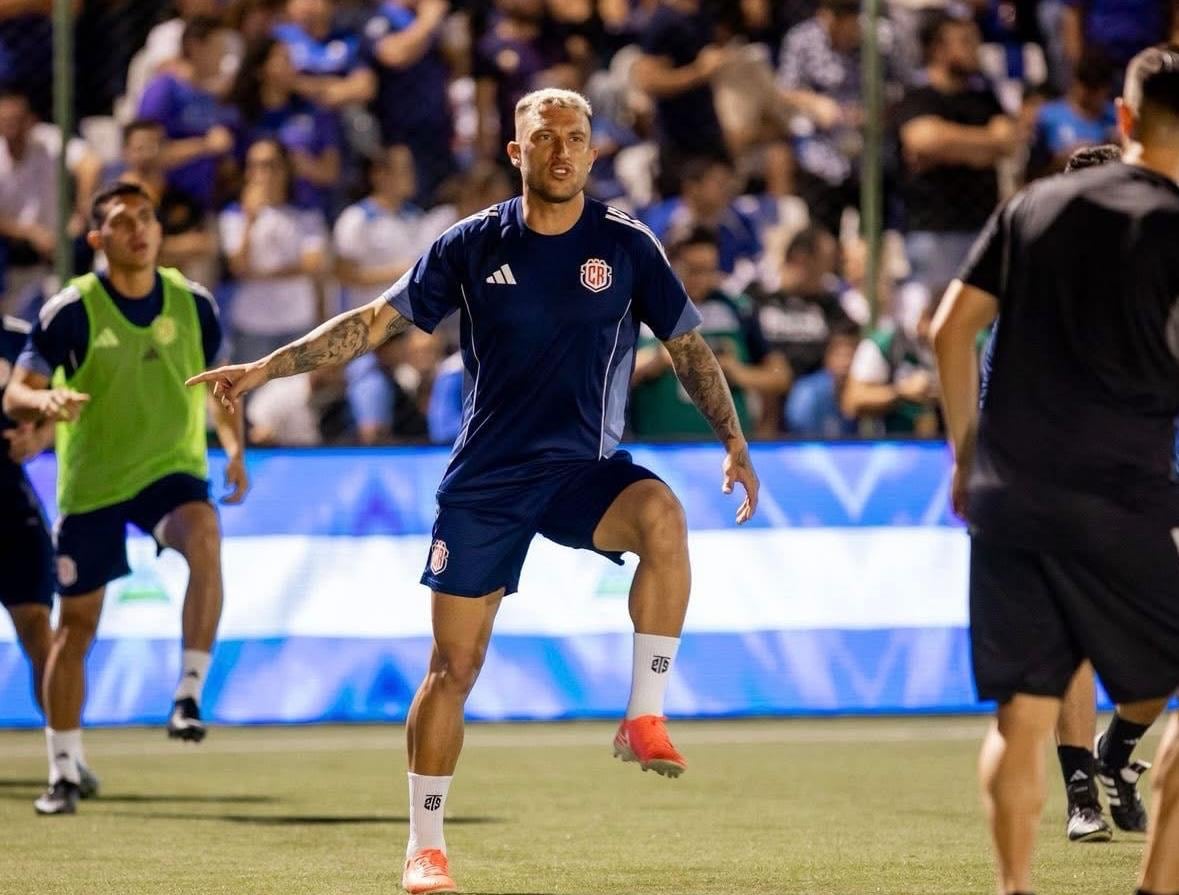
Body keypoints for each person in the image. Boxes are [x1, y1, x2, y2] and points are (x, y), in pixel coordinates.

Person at [187, 87, 759, 895]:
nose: (561, 149)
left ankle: (643, 714)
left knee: (661, 512)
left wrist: (733, 441)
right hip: (486, 480)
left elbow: (690, 349)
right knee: (453, 665)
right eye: (543, 137)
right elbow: (370, 323)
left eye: (575, 137)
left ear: (593, 153)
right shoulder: (468, 243)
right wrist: (263, 368)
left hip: (581, 473)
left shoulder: (628, 246)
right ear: (515, 152)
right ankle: (424, 846)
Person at [930, 46, 1179, 895]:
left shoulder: (1030, 206)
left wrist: (967, 457)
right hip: (1127, 490)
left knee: (1020, 714)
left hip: (1015, 493)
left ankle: (1014, 888)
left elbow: (945, 331)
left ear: (1121, 117)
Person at [3, 182, 249, 816]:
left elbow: (223, 387)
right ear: (97, 239)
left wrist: (236, 449)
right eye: (122, 221)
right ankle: (62, 769)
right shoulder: (72, 310)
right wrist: (44, 401)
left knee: (205, 535)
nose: (139, 229)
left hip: (171, 471)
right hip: (94, 485)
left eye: (147, 218)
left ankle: (188, 693)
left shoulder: (194, 304)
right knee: (74, 628)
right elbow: (16, 393)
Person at [0, 314, 100, 801]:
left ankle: (68, 757)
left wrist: (35, 440)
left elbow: (70, 411)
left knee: (40, 631)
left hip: (11, 509)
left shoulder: (25, 338)